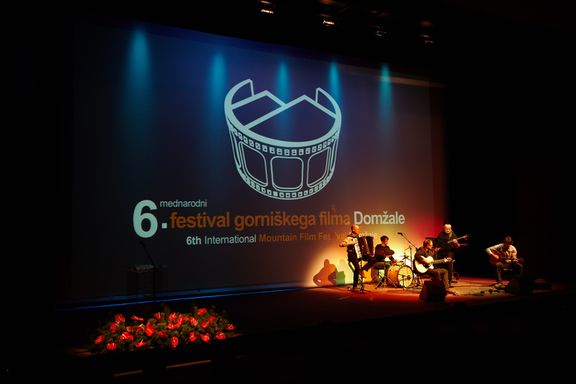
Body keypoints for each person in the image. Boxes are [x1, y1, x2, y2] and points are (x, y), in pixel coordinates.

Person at [339, 224, 369, 291]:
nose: (358, 230)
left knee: (373, 259)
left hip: (359, 255)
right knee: (357, 268)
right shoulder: (349, 237)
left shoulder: (359, 237)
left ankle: (362, 270)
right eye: (357, 229)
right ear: (353, 230)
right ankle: (354, 286)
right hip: (352, 255)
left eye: (358, 229)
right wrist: (350, 243)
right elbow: (341, 244)